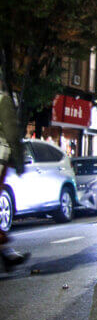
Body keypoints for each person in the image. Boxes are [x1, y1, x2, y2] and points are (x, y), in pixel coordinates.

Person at [0, 82, 30, 271]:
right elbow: (12, 133)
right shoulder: (2, 100)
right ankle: (7, 255)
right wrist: (19, 161)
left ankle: (7, 255)